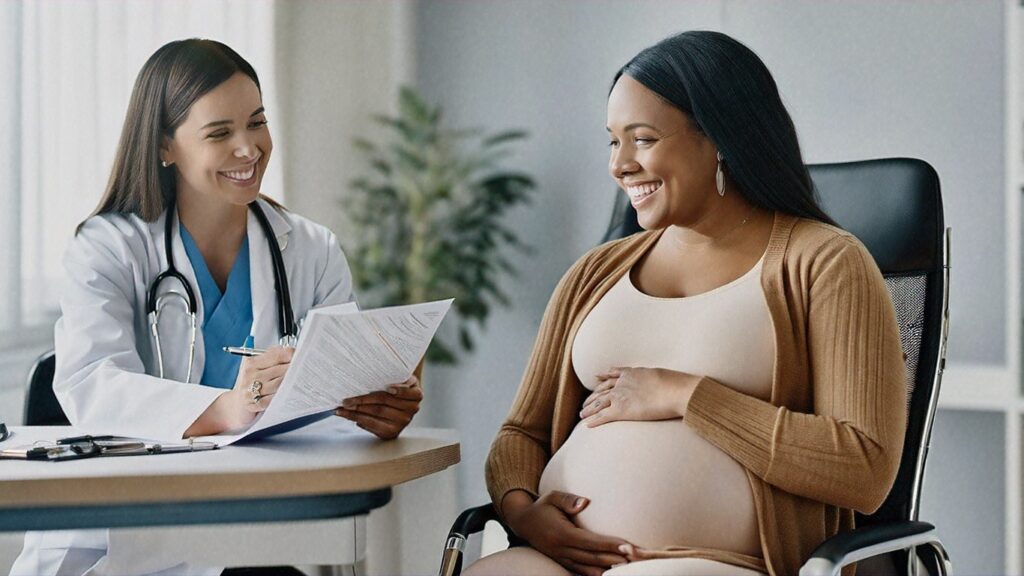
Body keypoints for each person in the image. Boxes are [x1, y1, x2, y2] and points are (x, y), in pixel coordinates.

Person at [466, 31, 906, 576]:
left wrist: (687, 395)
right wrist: (524, 513)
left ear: (721, 137)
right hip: (558, 560)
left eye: (643, 139)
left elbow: (864, 466)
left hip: (721, 563)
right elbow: (520, 434)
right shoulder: (594, 272)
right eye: (612, 141)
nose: (620, 165)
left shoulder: (825, 262)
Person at [11, 39, 423, 576]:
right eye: (220, 133)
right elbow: (93, 384)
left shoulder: (311, 249)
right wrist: (227, 409)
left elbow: (327, 401)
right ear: (166, 146)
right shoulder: (108, 247)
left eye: (256, 122)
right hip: (122, 541)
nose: (249, 149)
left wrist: (372, 414)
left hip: (259, 532)